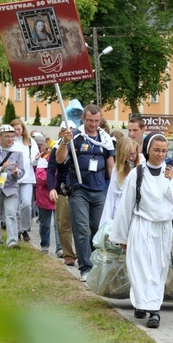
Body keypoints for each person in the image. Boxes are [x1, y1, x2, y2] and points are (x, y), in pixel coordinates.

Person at [109, 133, 173, 328]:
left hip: (162, 229)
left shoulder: (172, 173)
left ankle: (154, 311)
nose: (160, 155)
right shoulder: (137, 174)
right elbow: (126, 206)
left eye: (164, 151)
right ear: (147, 150)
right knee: (140, 267)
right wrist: (122, 235)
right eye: (156, 150)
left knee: (157, 268)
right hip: (141, 226)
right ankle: (141, 302)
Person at [56, 105, 116, 282]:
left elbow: (111, 166)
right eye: (90, 120)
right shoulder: (74, 136)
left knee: (98, 230)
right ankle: (86, 268)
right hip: (79, 189)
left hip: (100, 190)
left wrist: (114, 188)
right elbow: (60, 159)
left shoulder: (105, 139)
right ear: (83, 119)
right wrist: (64, 142)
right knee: (81, 228)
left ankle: (96, 263)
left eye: (97, 121)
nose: (93, 124)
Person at [0, 125, 25, 248]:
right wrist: (1, 168)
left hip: (11, 187)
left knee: (11, 213)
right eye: (7, 136)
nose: (10, 139)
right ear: (0, 137)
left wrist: (16, 172)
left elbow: (22, 172)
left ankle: (12, 241)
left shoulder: (18, 151)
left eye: (12, 136)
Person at [47, 128, 77, 266]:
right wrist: (52, 188)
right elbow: (51, 169)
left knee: (82, 224)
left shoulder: (80, 145)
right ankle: (68, 254)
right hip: (62, 189)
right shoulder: (56, 149)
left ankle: (84, 252)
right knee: (63, 223)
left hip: (78, 188)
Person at [100, 137, 141, 225]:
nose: (131, 157)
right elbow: (112, 194)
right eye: (127, 155)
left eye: (133, 154)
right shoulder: (117, 169)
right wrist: (106, 221)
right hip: (120, 208)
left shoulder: (142, 164)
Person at [11, 118, 39, 243]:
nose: (17, 132)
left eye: (19, 129)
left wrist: (37, 159)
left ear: (22, 129)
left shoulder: (30, 142)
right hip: (13, 178)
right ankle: (16, 230)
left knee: (26, 204)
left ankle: (25, 227)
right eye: (14, 129)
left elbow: (33, 160)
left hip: (27, 177)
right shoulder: (9, 142)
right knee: (15, 206)